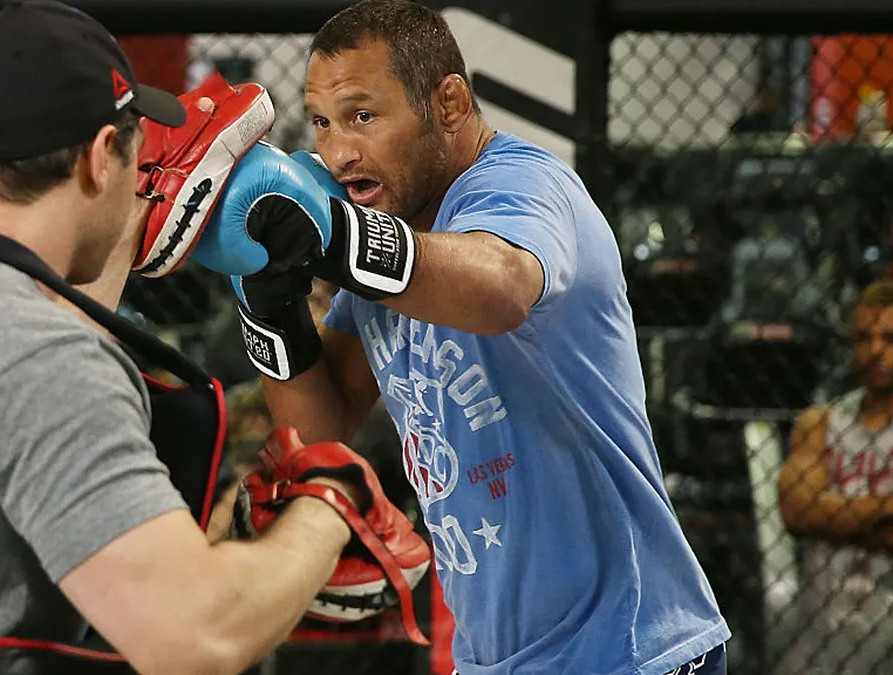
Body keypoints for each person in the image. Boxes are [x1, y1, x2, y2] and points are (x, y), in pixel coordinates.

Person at [0, 2, 427, 674]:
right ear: (98, 159)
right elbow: (198, 639)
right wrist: (329, 501)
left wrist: (144, 220)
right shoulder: (37, 356)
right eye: (136, 150)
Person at [189, 1, 731, 672]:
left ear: (448, 102)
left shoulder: (521, 184)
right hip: (494, 656)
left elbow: (501, 286)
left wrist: (330, 233)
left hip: (627, 647)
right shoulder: (386, 242)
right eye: (323, 123)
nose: (339, 151)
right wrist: (266, 296)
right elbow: (320, 430)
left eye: (363, 116)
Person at [778, 278, 893, 675]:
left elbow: (815, 515)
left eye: (889, 338)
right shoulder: (820, 423)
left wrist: (832, 519)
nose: (875, 350)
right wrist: (886, 510)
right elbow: (797, 511)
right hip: (824, 638)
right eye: (863, 338)